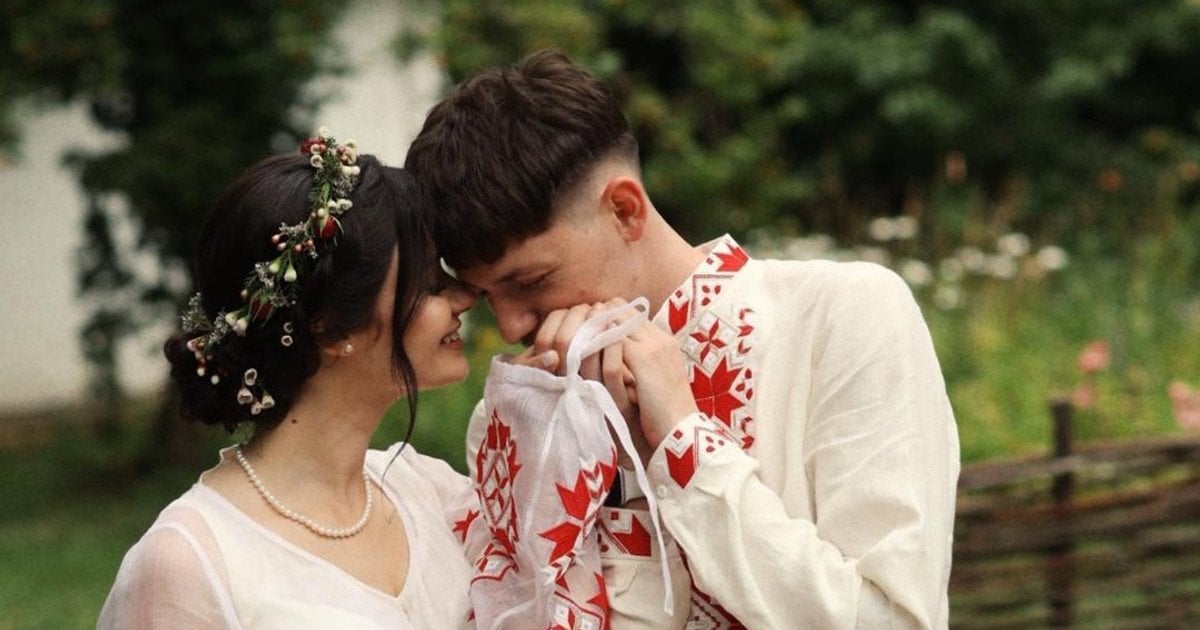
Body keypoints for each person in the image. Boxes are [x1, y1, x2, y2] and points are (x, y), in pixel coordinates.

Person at [404, 49, 962, 628]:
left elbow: (892, 620)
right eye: (486, 295)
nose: (512, 326)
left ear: (625, 210)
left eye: (530, 281)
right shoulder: (520, 414)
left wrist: (680, 443)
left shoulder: (841, 315)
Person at [98, 130, 485, 627]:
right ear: (331, 327)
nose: (465, 297)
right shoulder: (192, 563)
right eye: (430, 284)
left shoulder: (429, 492)